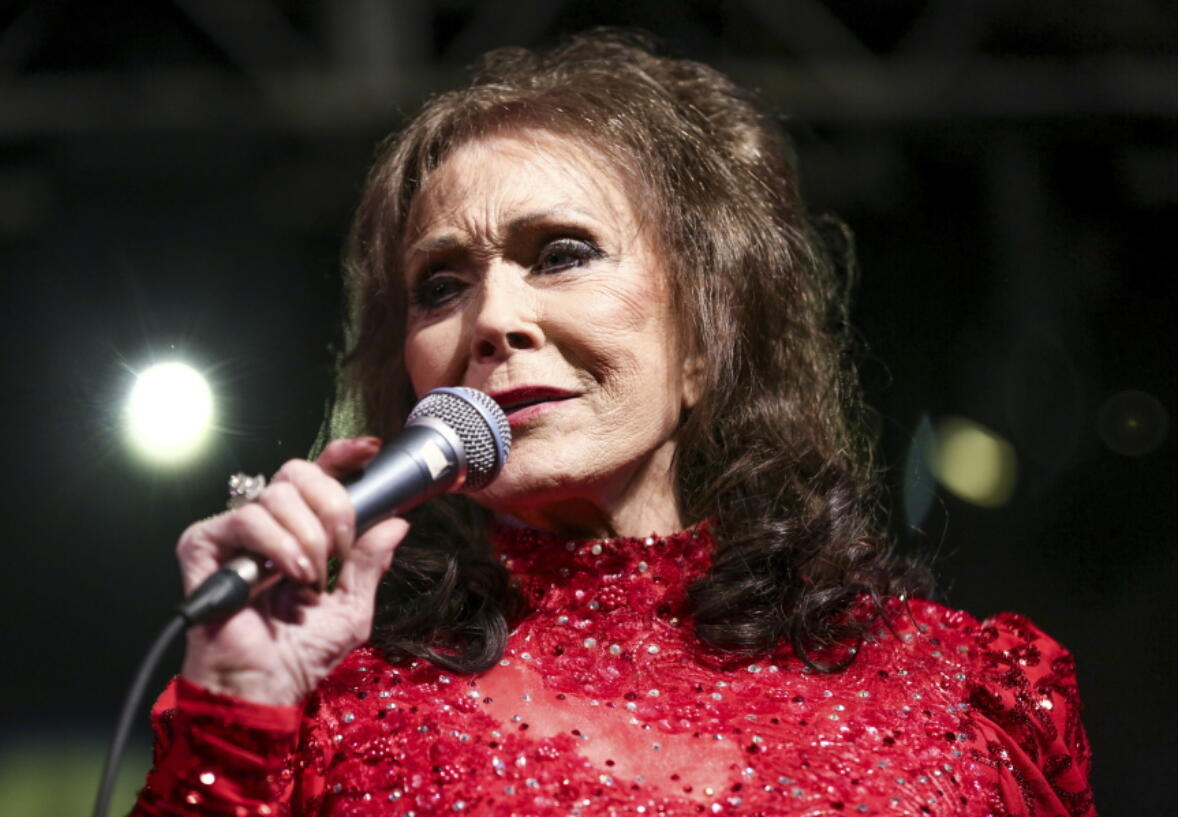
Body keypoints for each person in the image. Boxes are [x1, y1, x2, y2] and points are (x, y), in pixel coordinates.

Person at [131, 31, 1095, 817]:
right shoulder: (319, 716)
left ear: (705, 341)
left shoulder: (959, 696)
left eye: (559, 253)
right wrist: (240, 710)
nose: (493, 320)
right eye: (440, 286)